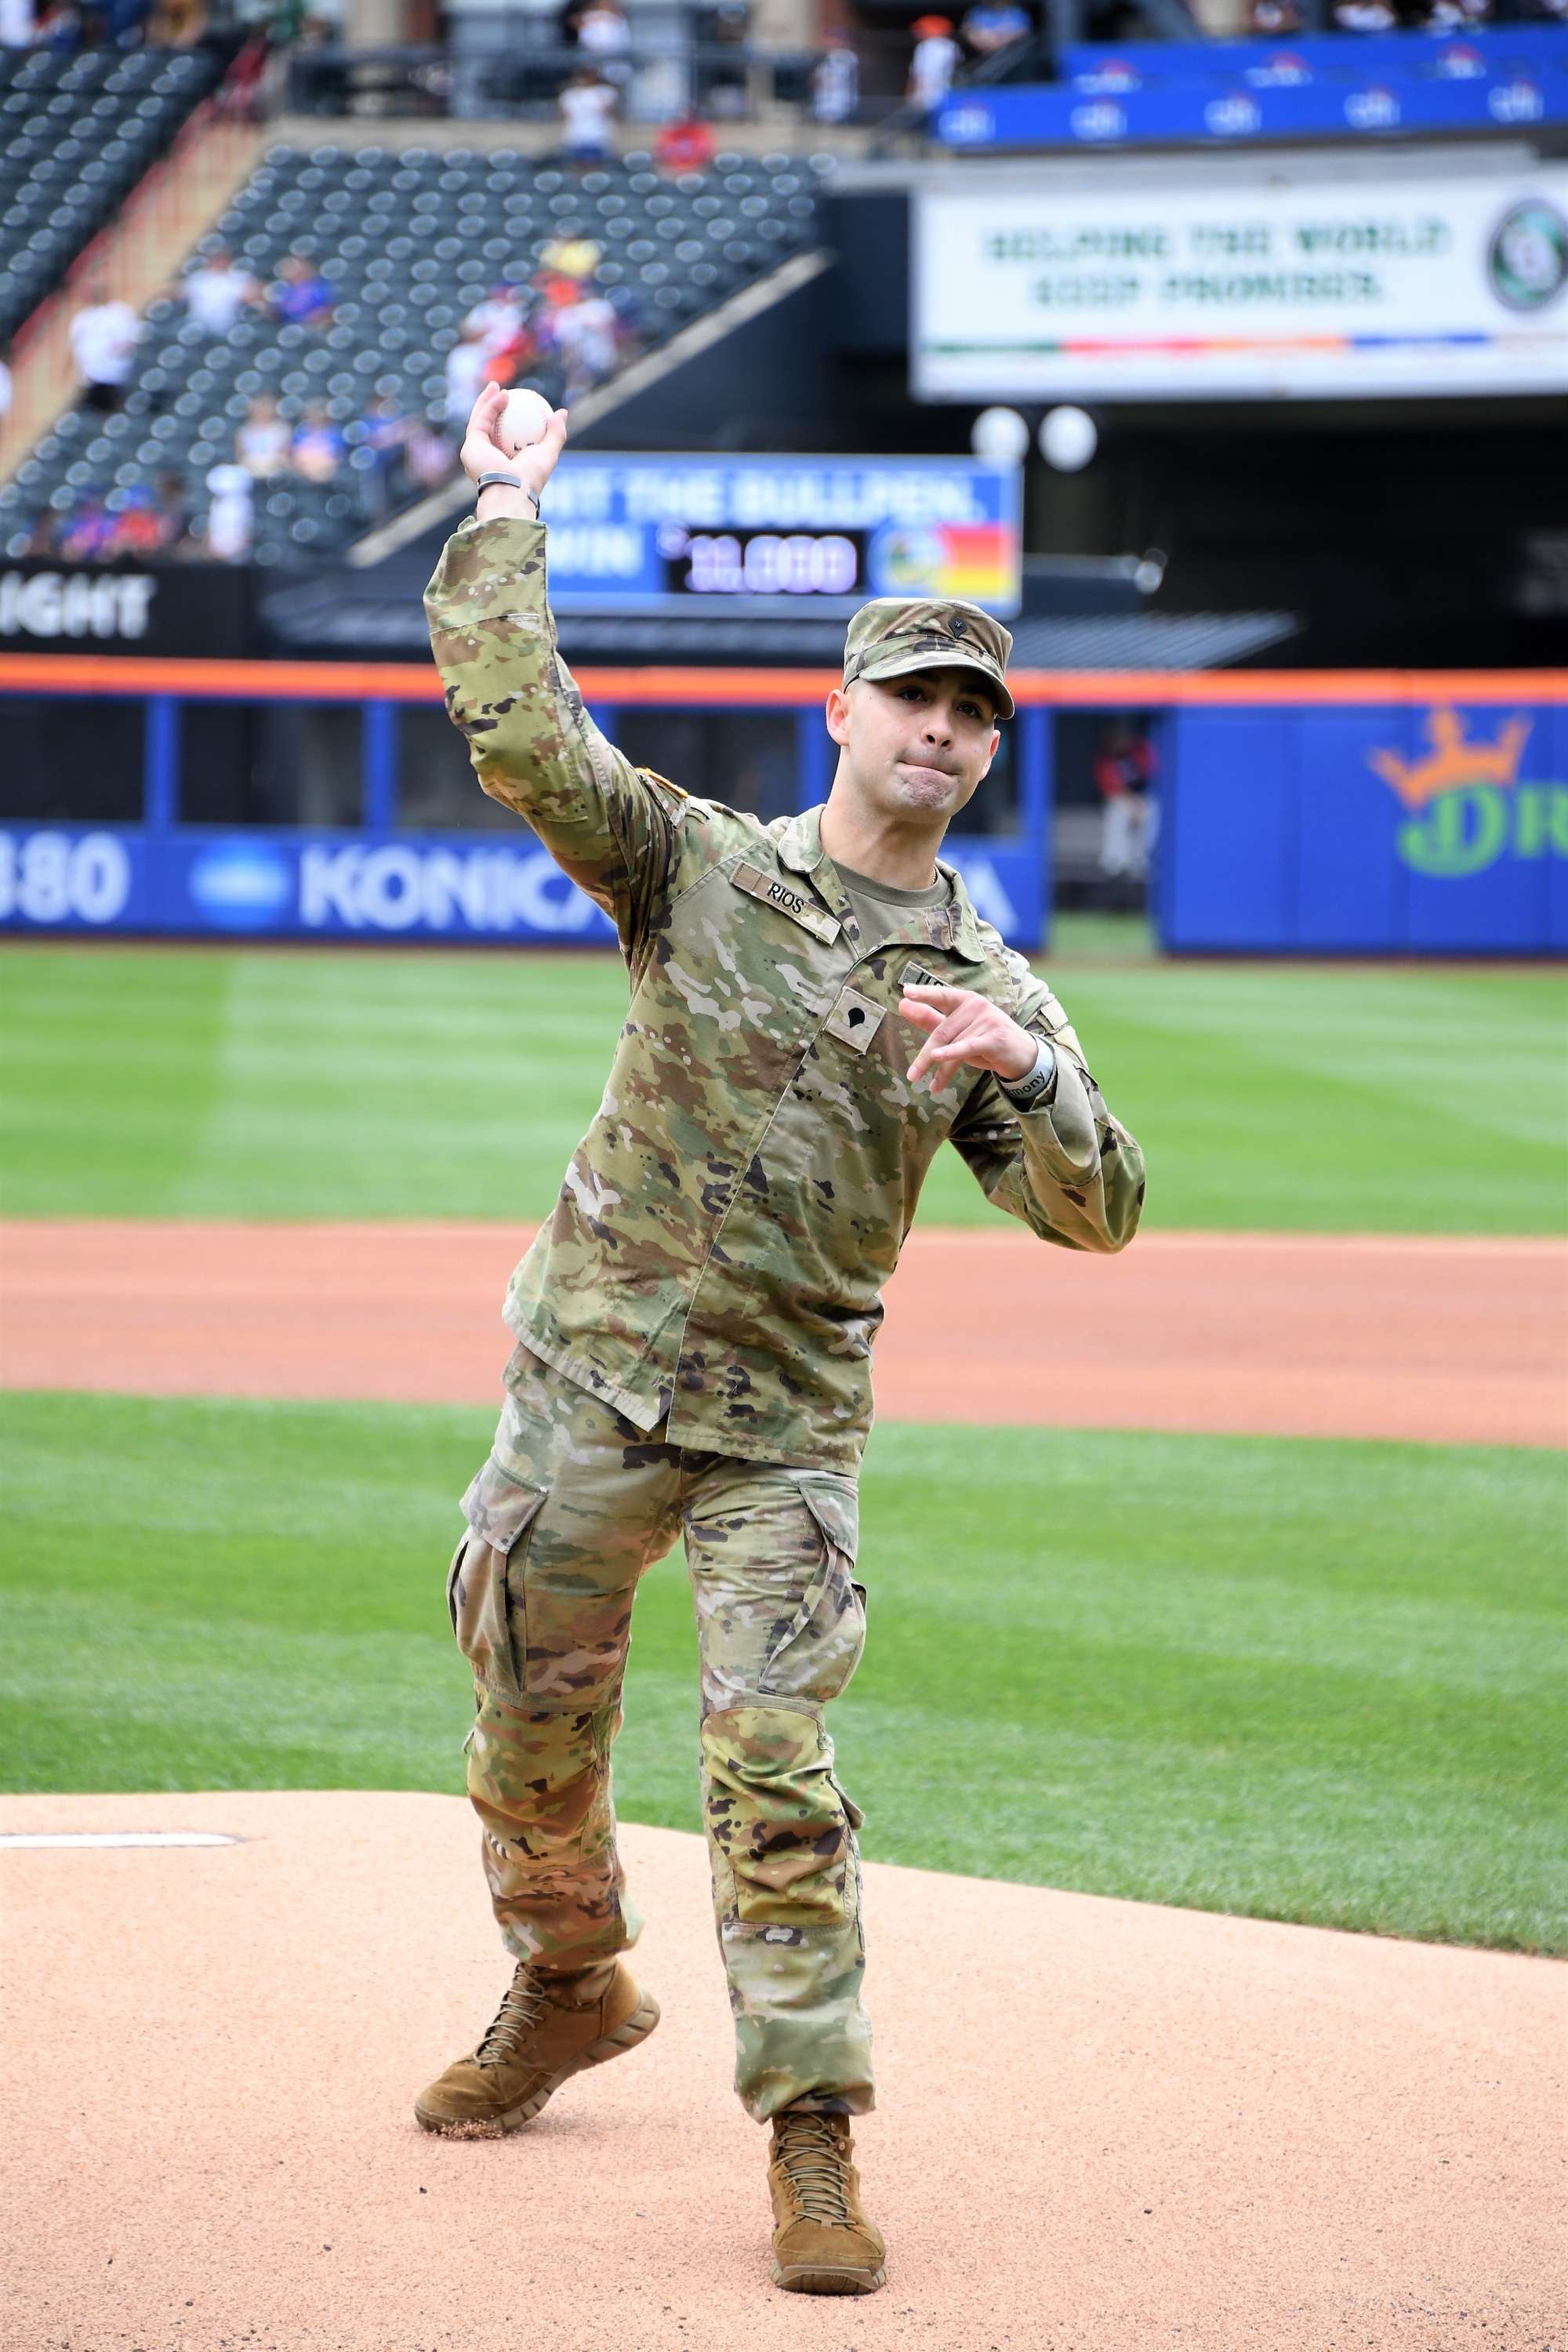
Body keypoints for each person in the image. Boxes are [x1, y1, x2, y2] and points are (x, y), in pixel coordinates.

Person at [415, 383, 1145, 2299]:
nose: (943, 727)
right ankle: (568, 1983)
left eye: (976, 709)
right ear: (840, 707)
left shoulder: (982, 990)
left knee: (770, 1756)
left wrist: (1038, 1081)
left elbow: (1100, 1209)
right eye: (916, 692)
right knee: (525, 1741)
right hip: (586, 1383)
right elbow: (521, 736)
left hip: (780, 1438)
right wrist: (505, 509)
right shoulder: (699, 869)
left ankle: (809, 2133)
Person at [1093, 718, 1159, 882]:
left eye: (1122, 737)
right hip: (1118, 798)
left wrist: (1137, 803)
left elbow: (1151, 775)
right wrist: (1132, 803)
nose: (1118, 742)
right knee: (1117, 813)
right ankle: (1114, 863)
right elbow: (1110, 787)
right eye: (1114, 738)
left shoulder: (1140, 750)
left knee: (1152, 810)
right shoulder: (1104, 758)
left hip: (1141, 797)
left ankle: (1140, 861)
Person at [68, 284, 142, 414]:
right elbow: (73, 344)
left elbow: (134, 338)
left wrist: (115, 351)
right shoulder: (83, 318)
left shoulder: (119, 311)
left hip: (114, 374)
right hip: (89, 377)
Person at [180, 247, 264, 338]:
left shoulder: (237, 278)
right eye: (216, 259)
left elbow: (256, 293)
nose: (219, 262)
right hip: (196, 326)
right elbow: (176, 292)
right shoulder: (198, 279)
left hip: (227, 328)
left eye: (222, 259)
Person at [557, 64, 619, 160]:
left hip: (598, 138)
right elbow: (564, 114)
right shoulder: (569, 94)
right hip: (575, 137)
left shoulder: (605, 92)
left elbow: (607, 109)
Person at [907, 13, 960, 114]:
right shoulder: (952, 46)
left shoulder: (924, 46)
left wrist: (910, 95)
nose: (917, 33)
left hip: (925, 93)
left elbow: (918, 75)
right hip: (947, 93)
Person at [270, 253, 337, 331]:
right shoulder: (285, 292)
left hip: (318, 328)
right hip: (291, 329)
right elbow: (278, 314)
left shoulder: (320, 285)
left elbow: (329, 307)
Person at [235, 393, 292, 479]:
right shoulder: (245, 430)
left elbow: (285, 452)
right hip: (251, 464)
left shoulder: (281, 428)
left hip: (274, 464)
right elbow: (241, 454)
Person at [811, 31, 858, 124]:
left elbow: (835, 79)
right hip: (821, 104)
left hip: (839, 106)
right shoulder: (822, 59)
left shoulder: (846, 58)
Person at [959, 0, 1029, 54]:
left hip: (1011, 60)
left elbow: (1021, 33)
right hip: (980, 59)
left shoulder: (1017, 12)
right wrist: (983, 42)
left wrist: (997, 44)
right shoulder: (975, 12)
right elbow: (967, 30)